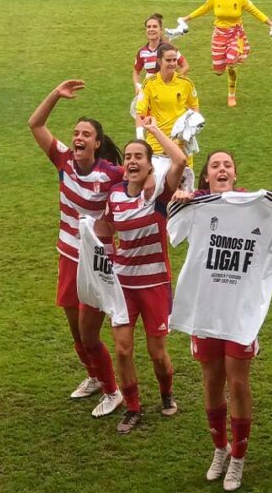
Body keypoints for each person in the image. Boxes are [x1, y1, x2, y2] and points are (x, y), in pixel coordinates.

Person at [170, 150, 272, 491]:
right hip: (206, 311)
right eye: (215, 165)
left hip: (239, 313)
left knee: (238, 383)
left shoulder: (262, 208)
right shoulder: (197, 205)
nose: (221, 169)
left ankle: (239, 456)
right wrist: (178, 200)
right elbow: (173, 232)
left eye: (228, 165)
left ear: (236, 175)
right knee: (210, 382)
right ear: (206, 176)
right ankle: (219, 448)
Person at [28, 79, 124, 418]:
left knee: (89, 332)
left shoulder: (112, 174)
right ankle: (94, 377)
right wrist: (55, 94)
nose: (78, 138)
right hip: (68, 257)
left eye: (86, 134)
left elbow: (142, 180)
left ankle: (114, 391)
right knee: (75, 328)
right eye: (76, 133)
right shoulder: (63, 161)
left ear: (98, 143)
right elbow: (35, 124)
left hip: (96, 262)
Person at [96, 116, 188, 434]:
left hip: (155, 284)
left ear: (150, 166)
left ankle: (166, 394)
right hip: (123, 284)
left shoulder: (160, 196)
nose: (133, 161)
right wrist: (105, 261)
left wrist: (152, 129)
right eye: (129, 156)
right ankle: (133, 407)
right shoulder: (115, 196)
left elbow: (180, 159)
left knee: (157, 353)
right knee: (122, 348)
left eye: (140, 156)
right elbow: (105, 228)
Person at [179, 0, 272, 107]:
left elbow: (256, 11)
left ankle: (231, 94)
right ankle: (224, 63)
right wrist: (187, 18)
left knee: (232, 64)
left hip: (235, 34)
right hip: (219, 35)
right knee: (218, 71)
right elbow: (203, 8)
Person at [135, 43, 199, 166]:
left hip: (181, 144)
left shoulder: (186, 83)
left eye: (174, 60)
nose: (172, 63)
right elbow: (140, 112)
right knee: (157, 183)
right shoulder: (149, 83)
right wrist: (140, 138)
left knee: (184, 183)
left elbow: (194, 107)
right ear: (159, 61)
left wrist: (192, 129)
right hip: (156, 143)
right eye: (168, 60)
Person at [133, 14, 188, 95]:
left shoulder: (169, 49)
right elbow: (136, 72)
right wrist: (137, 86)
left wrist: (175, 82)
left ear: (160, 29)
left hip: (168, 93)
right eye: (149, 27)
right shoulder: (142, 52)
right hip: (150, 94)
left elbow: (185, 66)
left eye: (155, 26)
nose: (151, 29)